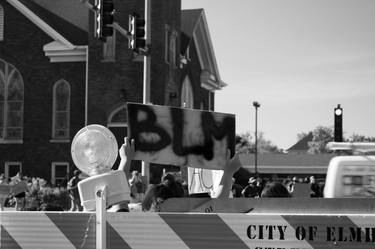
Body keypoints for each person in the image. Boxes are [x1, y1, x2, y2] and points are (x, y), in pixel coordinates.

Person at [118, 137, 242, 211]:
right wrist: (228, 172)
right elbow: (217, 204)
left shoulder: (137, 218)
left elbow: (118, 198)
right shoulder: (188, 220)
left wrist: (125, 160)